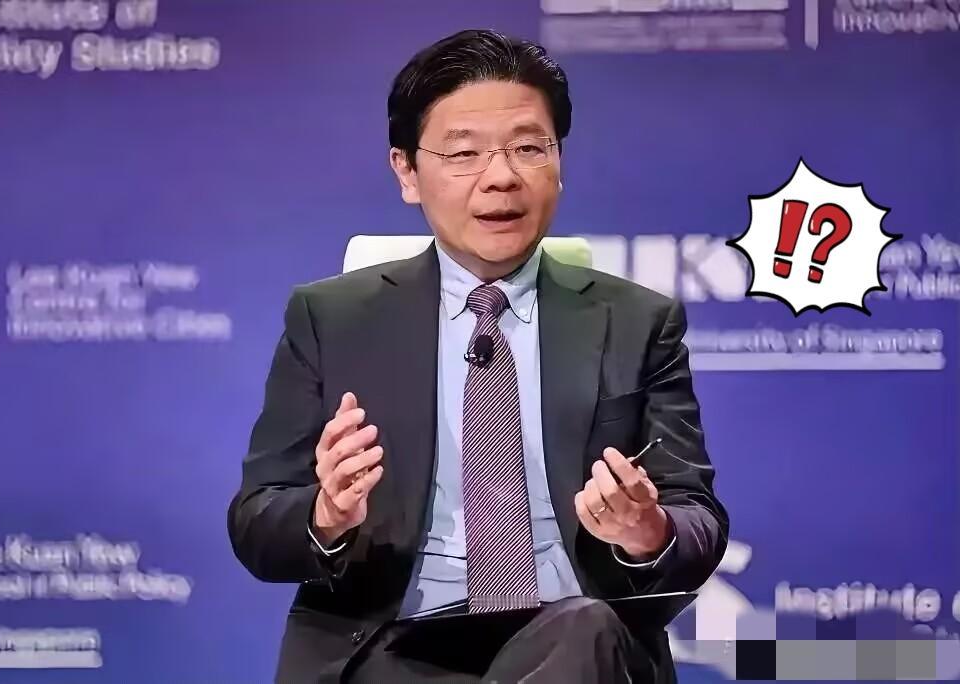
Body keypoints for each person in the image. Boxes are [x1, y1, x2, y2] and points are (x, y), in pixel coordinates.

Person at [227, 28, 729, 683]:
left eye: (529, 148)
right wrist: (327, 516)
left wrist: (647, 530)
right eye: (464, 153)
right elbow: (257, 523)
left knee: (585, 629)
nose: (501, 178)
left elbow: (697, 519)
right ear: (407, 172)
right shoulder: (331, 320)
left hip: (572, 641)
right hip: (393, 648)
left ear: (559, 160)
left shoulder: (637, 322)